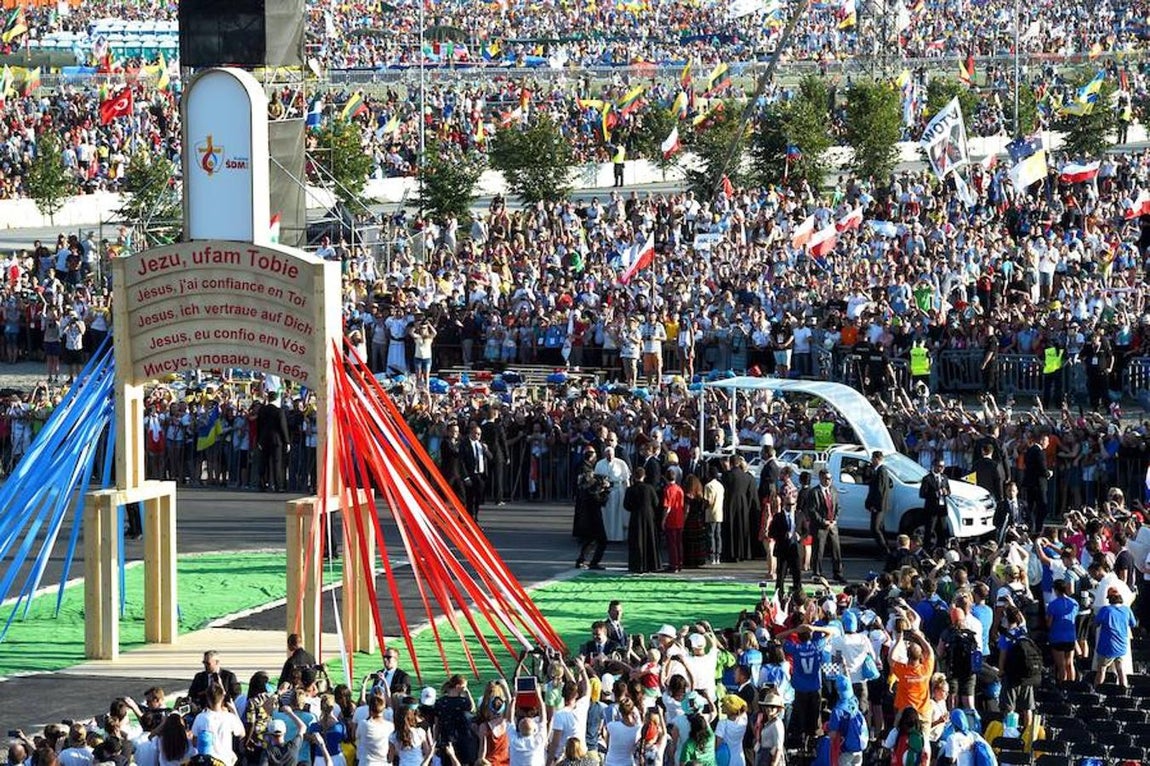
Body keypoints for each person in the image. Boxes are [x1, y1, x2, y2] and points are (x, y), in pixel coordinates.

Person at [806, 468, 845, 583]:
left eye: (830, 478)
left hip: (832, 525)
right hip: (820, 526)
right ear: (821, 478)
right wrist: (823, 521)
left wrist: (834, 520)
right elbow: (812, 511)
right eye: (826, 479)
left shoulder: (833, 490)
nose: (828, 481)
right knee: (818, 551)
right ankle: (817, 574)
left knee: (836, 550)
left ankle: (838, 573)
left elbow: (838, 507)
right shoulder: (814, 492)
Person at [190, 685, 245, 766]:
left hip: (207, 762)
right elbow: (242, 733)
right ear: (222, 698)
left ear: (208, 698)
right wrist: (234, 711)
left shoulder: (200, 717)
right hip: (225, 762)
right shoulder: (229, 717)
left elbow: (195, 741)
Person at [1094, 586, 1138, 687]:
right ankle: (1124, 688)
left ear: (1109, 599)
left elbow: (1096, 623)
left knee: (1101, 670)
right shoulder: (1126, 610)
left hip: (1107, 646)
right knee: (1121, 670)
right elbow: (1133, 624)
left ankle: (1096, 689)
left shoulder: (1106, 610)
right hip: (1121, 646)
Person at [574, 447, 608, 570]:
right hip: (592, 509)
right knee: (602, 539)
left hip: (586, 507)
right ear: (591, 457)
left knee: (590, 538)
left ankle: (581, 560)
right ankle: (594, 562)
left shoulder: (583, 468)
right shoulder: (586, 470)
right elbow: (592, 490)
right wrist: (604, 490)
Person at [624, 466, 662, 573]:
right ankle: (651, 564)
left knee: (636, 541)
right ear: (644, 476)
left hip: (636, 517)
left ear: (634, 477)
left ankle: (636, 565)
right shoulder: (649, 488)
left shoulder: (630, 490)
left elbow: (626, 505)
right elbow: (656, 503)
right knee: (649, 539)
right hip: (649, 517)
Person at [767, 494, 803, 595]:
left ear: (795, 505)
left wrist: (800, 536)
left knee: (797, 575)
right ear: (784, 505)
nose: (790, 507)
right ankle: (779, 595)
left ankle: (798, 595)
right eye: (788, 504)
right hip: (782, 550)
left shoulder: (800, 515)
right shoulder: (778, 517)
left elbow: (806, 530)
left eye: (792, 504)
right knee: (781, 576)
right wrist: (783, 535)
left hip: (795, 549)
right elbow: (771, 533)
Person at [594, 446, 631, 543]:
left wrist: (627, 490)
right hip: (605, 492)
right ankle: (606, 536)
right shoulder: (599, 464)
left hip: (618, 491)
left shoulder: (621, 463)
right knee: (606, 515)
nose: (610, 457)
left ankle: (618, 537)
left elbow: (626, 479)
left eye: (611, 455)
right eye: (608, 455)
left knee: (618, 515)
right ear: (604, 454)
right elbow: (596, 478)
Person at [256, 391, 290, 493]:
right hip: (276, 440)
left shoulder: (262, 410)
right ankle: (278, 485)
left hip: (264, 439)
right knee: (277, 462)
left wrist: (258, 440)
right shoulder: (279, 411)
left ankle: (262, 484)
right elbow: (283, 427)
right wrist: (287, 441)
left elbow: (259, 426)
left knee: (264, 462)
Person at [461, 423, 492, 520]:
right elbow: (462, 462)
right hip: (471, 474)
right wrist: (466, 477)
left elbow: (491, 457)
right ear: (471, 433)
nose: (477, 436)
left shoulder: (481, 444)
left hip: (481, 474)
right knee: (470, 497)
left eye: (479, 434)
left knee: (479, 496)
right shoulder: (465, 444)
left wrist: (486, 450)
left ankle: (475, 513)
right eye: (475, 433)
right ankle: (471, 516)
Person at [918, 458, 951, 550]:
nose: (942, 468)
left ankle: (942, 549)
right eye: (940, 466)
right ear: (934, 466)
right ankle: (926, 549)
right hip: (932, 508)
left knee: (943, 529)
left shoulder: (944, 477)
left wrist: (946, 492)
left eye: (943, 466)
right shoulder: (927, 479)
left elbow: (949, 490)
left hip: (942, 508)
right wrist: (936, 493)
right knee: (929, 530)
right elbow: (922, 494)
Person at [480, 407, 510, 506]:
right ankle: (498, 499)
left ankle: (482, 498)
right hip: (497, 453)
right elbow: (503, 442)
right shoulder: (498, 427)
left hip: (486, 452)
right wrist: (507, 455)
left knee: (485, 476)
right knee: (498, 477)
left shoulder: (482, 427)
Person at [355, 695, 393, 766]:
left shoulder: (363, 724)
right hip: (384, 763)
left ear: (370, 709)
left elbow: (357, 736)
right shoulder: (390, 726)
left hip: (366, 763)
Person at [866, 451, 891, 550]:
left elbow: (880, 490)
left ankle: (885, 550)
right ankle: (886, 549)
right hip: (880, 505)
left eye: (873, 458)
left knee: (875, 528)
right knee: (880, 528)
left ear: (877, 459)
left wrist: (875, 505)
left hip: (879, 505)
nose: (871, 460)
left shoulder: (881, 471)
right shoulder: (879, 470)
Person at [663, 469, 685, 573]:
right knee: (679, 542)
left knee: (672, 543)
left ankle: (673, 564)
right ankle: (680, 562)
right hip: (679, 516)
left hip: (671, 518)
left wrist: (663, 519)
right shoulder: (679, 489)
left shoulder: (667, 489)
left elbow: (667, 507)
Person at [753, 692, 785, 766]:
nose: (769, 709)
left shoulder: (777, 724)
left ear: (778, 709)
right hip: (764, 756)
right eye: (767, 706)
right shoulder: (768, 722)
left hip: (771, 758)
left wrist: (774, 763)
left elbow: (778, 748)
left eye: (772, 707)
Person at [703, 464, 725, 567]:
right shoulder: (720, 486)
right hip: (719, 512)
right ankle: (718, 556)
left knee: (710, 535)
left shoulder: (708, 486)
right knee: (718, 535)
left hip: (711, 512)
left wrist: (703, 507)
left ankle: (711, 556)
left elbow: (709, 501)